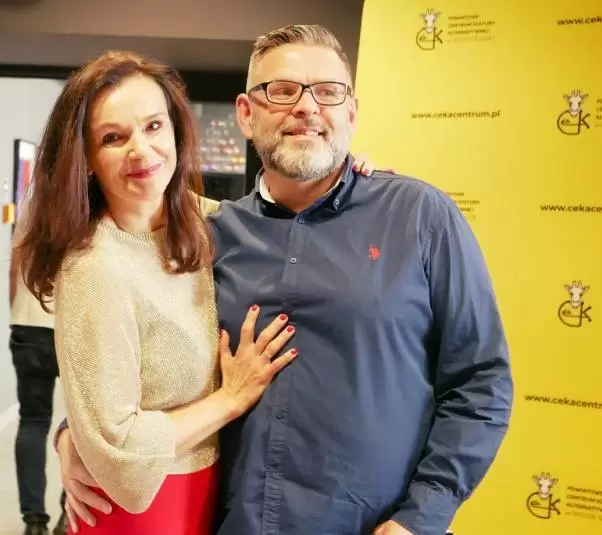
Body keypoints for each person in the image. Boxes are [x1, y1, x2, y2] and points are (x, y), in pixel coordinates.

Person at [54, 24, 514, 535]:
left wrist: (422, 517)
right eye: (282, 91)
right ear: (245, 115)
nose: (307, 107)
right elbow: (143, 350)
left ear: (351, 113)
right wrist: (74, 433)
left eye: (328, 92)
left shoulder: (418, 217)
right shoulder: (210, 234)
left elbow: (481, 382)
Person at [13, 49, 372, 535]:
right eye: (113, 138)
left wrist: (353, 182)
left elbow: (297, 209)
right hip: (143, 512)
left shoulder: (207, 222)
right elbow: (117, 443)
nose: (141, 150)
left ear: (176, 131)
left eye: (153, 126)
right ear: (88, 159)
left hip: (210, 495)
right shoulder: (96, 266)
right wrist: (231, 398)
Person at [10, 187, 68, 535]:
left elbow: (15, 265)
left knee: (32, 421)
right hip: (73, 327)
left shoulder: (31, 206)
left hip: (28, 325)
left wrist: (17, 313)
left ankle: (33, 521)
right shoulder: (86, 204)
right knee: (82, 426)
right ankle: (68, 514)